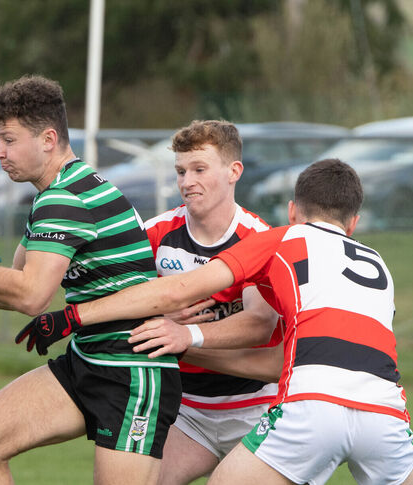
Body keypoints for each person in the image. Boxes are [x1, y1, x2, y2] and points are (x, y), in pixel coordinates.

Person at [20, 158, 413, 484]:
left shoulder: (281, 238)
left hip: (311, 405)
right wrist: (191, 345)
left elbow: (177, 291)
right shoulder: (379, 265)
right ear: (353, 223)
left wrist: (75, 315)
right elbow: (290, 359)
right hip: (386, 412)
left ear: (292, 212)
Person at [0, 74, 180, 485]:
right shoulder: (53, 193)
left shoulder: (64, 198)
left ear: (47, 139)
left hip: (131, 373)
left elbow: (31, 297)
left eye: (8, 139)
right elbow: (18, 284)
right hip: (87, 361)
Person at [138, 120, 281, 484]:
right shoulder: (156, 234)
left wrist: (188, 336)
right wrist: (154, 312)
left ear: (234, 172)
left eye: (199, 169)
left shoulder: (257, 237)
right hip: (186, 411)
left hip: (256, 409)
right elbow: (121, 306)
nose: (187, 182)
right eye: (181, 171)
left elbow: (259, 323)